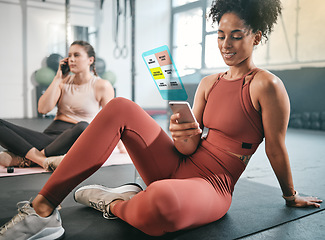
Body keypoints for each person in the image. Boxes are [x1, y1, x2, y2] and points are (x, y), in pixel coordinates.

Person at [0, 0, 322, 239]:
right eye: (221, 35)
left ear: (258, 36)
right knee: (121, 107)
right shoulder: (210, 83)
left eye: (236, 36)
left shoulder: (268, 86)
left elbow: (276, 148)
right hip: (178, 166)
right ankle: (42, 208)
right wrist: (181, 134)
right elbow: (188, 147)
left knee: (162, 202)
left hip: (213, 186)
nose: (226, 44)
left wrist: (290, 196)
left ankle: (112, 203)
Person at [0, 40, 115, 171]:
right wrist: (57, 79)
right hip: (50, 138)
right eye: (69, 55)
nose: (71, 59)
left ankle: (27, 158)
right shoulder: (62, 81)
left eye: (76, 55)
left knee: (83, 127)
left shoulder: (102, 85)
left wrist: (121, 147)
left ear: (90, 60)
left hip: (75, 137)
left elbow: (110, 122)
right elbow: (43, 109)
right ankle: (41, 160)